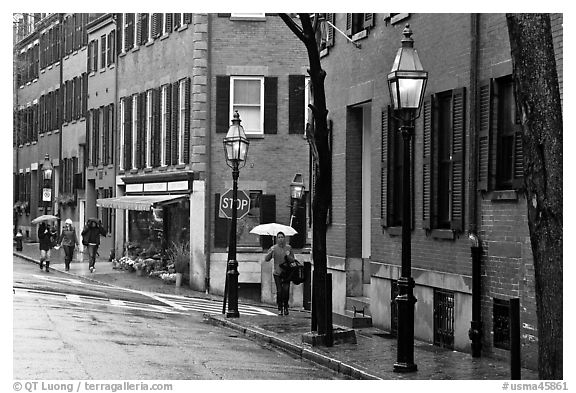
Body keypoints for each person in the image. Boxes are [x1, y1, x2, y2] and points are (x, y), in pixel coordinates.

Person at [264, 231, 295, 316]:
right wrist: (271, 252)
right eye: (279, 237)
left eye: (282, 237)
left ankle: (286, 306)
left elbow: (293, 260)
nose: (281, 239)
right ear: (277, 239)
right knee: (279, 291)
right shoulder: (273, 248)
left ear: (284, 238)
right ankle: (280, 307)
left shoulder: (288, 248)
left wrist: (288, 255)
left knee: (286, 290)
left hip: (286, 273)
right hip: (277, 273)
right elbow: (266, 259)